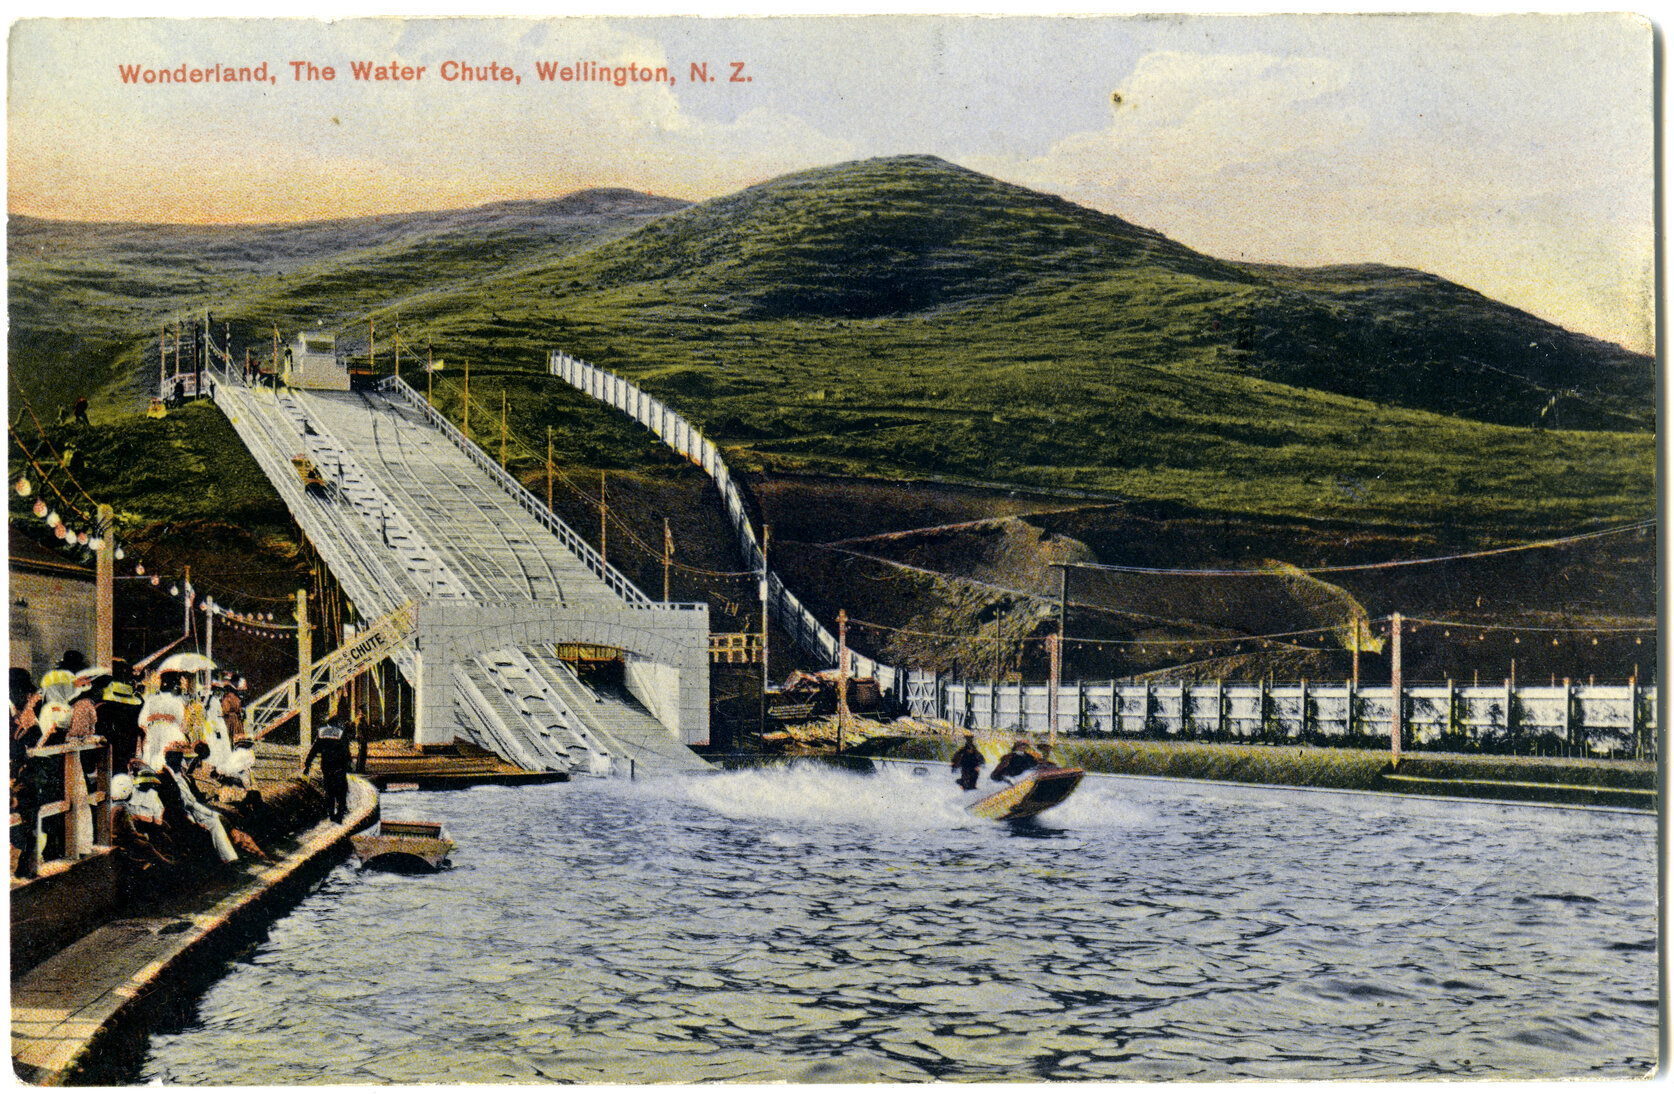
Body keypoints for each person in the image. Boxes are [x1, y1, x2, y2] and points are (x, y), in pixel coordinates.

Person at [303, 722, 353, 822]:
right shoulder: (341, 733)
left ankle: (331, 813)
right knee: (341, 789)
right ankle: (340, 813)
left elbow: (314, 750)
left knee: (329, 789)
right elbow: (346, 750)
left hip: (326, 765)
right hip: (339, 765)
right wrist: (348, 764)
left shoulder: (322, 733)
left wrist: (307, 765)